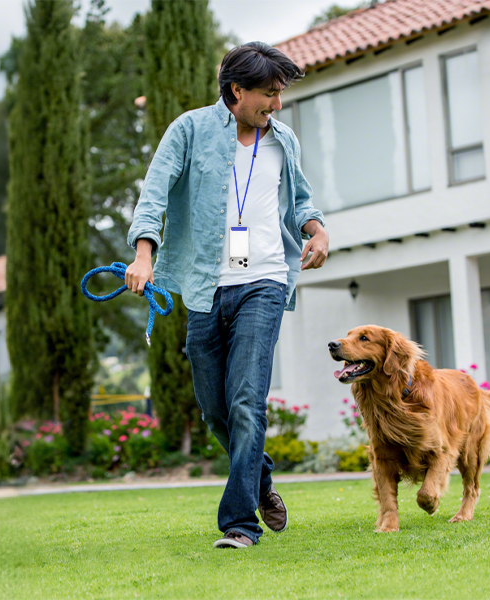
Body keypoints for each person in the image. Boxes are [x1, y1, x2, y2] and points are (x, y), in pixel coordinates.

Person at [124, 41, 329, 549]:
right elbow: (153, 193)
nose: (277, 105)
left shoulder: (283, 140)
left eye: (280, 95)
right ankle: (259, 480)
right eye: (269, 94)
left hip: (264, 280)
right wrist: (144, 254)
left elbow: (300, 199)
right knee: (216, 410)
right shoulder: (189, 130)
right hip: (204, 287)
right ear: (236, 90)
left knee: (246, 400)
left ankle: (239, 523)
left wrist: (317, 230)